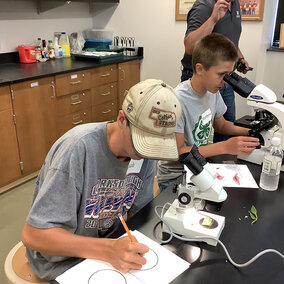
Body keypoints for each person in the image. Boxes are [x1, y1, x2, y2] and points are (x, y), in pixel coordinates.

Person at [21, 79, 182, 282]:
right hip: (62, 260)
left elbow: (141, 213)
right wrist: (108, 250)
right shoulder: (78, 149)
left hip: (106, 243)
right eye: (144, 143)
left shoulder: (143, 155)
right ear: (122, 119)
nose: (147, 153)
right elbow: (33, 235)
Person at [157, 33, 259, 191]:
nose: (225, 81)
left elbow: (221, 125)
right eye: (220, 74)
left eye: (228, 75)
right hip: (176, 175)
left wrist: (253, 132)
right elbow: (178, 153)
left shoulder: (212, 91)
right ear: (199, 68)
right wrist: (225, 146)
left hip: (199, 167)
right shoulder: (176, 101)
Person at [180, 0, 250, 143]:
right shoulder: (204, 6)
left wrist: (239, 58)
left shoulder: (235, 5)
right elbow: (189, 46)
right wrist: (213, 19)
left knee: (226, 122)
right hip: (201, 77)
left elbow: (227, 42)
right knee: (193, 131)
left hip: (223, 76)